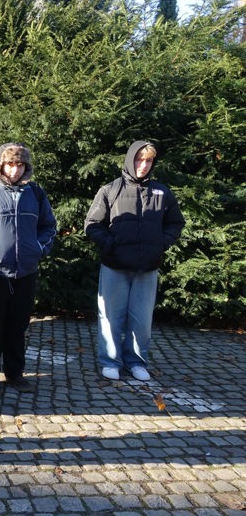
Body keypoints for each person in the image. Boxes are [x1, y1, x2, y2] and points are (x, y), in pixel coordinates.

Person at [84, 141, 184, 382]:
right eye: (139, 159)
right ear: (130, 160)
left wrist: (161, 243)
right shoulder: (110, 190)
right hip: (115, 266)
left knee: (141, 320)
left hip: (147, 268)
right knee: (111, 317)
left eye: (148, 161)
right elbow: (92, 224)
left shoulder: (162, 192)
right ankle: (110, 361)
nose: (143, 165)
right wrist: (111, 244)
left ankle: (136, 362)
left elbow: (176, 222)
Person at [0, 143, 56, 395]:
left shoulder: (36, 193)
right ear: (1, 165)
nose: (15, 169)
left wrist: (38, 248)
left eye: (20, 164)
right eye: (10, 164)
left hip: (26, 271)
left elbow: (49, 226)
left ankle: (15, 372)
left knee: (18, 325)